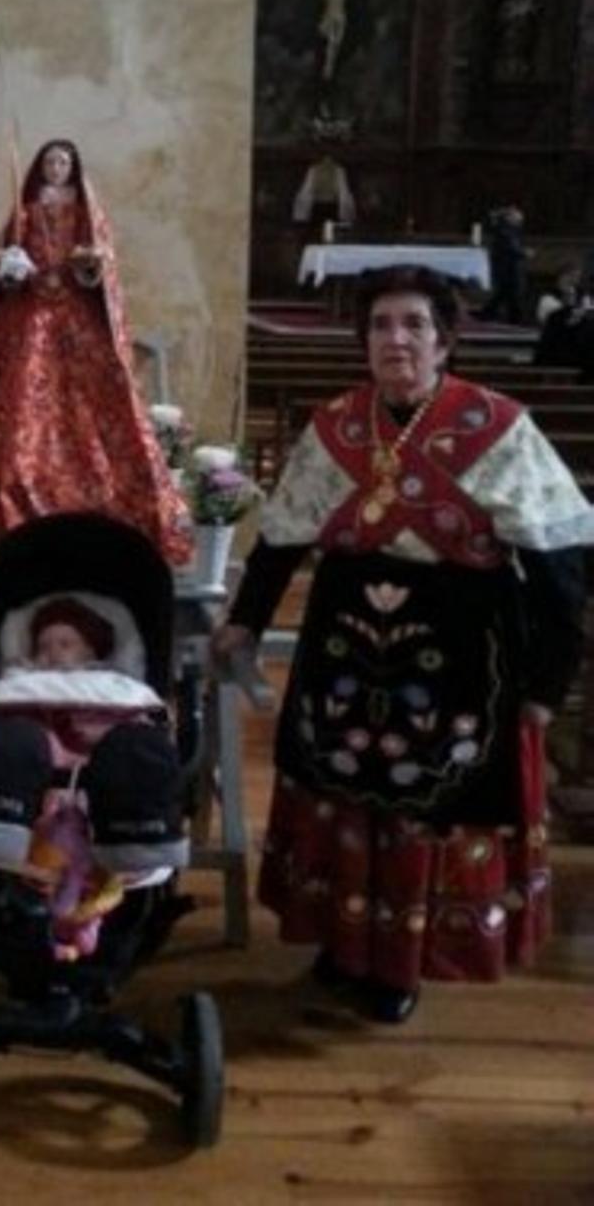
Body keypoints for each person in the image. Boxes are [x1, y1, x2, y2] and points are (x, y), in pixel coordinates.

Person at [211, 264, 592, 1024]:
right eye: (382, 326)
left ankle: (402, 962)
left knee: (428, 799)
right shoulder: (335, 426)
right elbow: (283, 536)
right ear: (363, 342)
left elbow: (558, 566)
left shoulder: (498, 428)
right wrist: (247, 618)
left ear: (444, 341)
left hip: (460, 654)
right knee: (342, 789)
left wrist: (546, 686)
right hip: (345, 644)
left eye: (415, 325)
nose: (397, 340)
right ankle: (342, 942)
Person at [0, 140, 192, 572]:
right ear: (40, 167)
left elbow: (102, 272)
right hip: (26, 317)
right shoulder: (23, 213)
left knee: (87, 401)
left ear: (73, 167)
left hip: (75, 319)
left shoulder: (88, 213)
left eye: (63, 161)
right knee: (18, 396)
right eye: (50, 161)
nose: (56, 167)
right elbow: (3, 277)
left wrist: (89, 266)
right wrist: (13, 269)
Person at [0, 593, 186, 960]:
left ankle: (142, 841)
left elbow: (139, 722)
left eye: (65, 643)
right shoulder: (26, 684)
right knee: (10, 739)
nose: (52, 653)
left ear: (92, 650)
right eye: (43, 646)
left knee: (137, 748)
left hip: (106, 779)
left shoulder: (112, 684)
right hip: (38, 784)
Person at [289, 0, 387, 82]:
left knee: (335, 43)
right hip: (329, 17)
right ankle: (327, 66)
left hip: (339, 16)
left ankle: (329, 65)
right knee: (331, 41)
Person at [478, 205, 529, 324]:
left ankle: (491, 314)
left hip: (507, 266)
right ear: (510, 218)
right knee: (510, 292)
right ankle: (513, 317)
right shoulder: (505, 230)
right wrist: (524, 252)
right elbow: (511, 248)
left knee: (505, 293)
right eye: (518, 217)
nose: (520, 220)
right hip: (507, 266)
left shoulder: (507, 229)